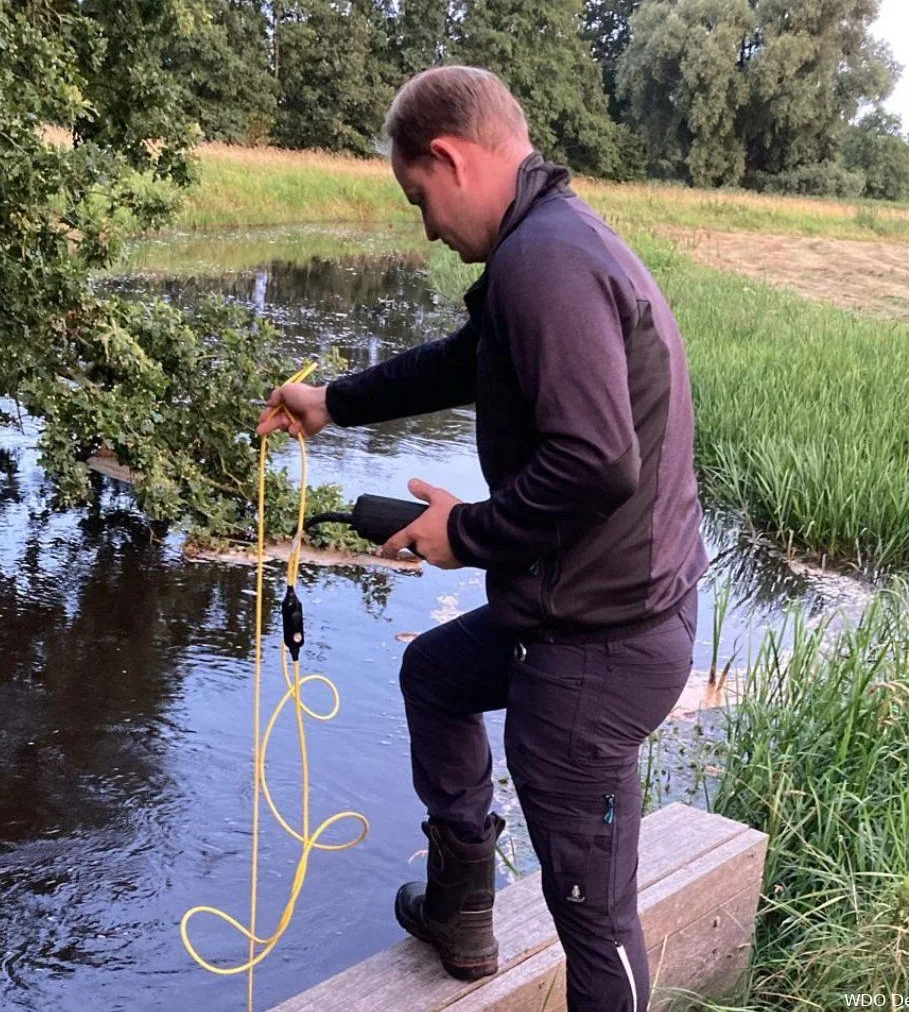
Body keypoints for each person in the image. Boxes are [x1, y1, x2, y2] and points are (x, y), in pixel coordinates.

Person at [256, 65, 707, 1012]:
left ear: (450, 158)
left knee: (593, 917)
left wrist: (465, 532)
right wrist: (333, 404)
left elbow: (597, 463)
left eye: (419, 197)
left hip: (598, 647)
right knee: (436, 676)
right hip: (579, 612)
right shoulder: (544, 248)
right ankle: (463, 909)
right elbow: (464, 363)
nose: (425, 226)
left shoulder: (544, 259)